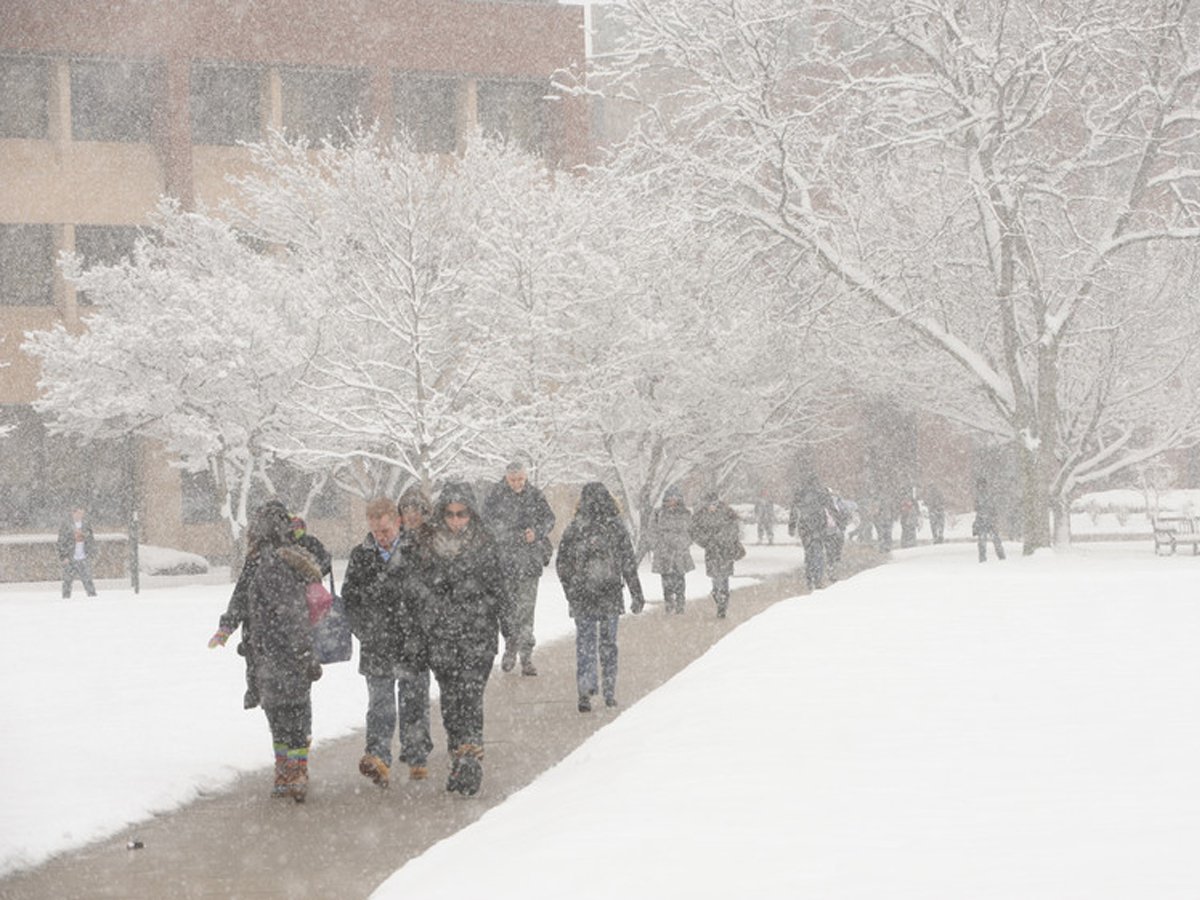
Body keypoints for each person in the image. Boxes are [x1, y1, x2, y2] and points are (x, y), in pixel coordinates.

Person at [404, 482, 511, 796]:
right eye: (450, 514)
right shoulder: (426, 544)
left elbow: (499, 587)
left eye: (462, 513)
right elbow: (414, 588)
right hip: (442, 634)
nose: (455, 520)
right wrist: (428, 614)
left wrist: (509, 627)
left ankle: (471, 755)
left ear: (471, 513)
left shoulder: (486, 543)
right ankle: (458, 756)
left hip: (478, 632)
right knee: (450, 701)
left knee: (471, 694)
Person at [343, 497, 431, 789]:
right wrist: (365, 631)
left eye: (386, 530)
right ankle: (378, 757)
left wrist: (422, 628)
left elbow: (431, 593)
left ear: (398, 522)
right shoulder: (360, 556)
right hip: (377, 644)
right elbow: (350, 600)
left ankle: (417, 755)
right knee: (380, 705)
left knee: (414, 703)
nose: (381, 537)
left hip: (412, 643)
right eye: (376, 531)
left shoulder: (417, 551)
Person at [243, 501, 325, 802]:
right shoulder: (297, 559)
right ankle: (296, 767)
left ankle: (287, 770)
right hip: (291, 650)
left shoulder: (267, 563)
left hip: (273, 652)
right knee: (297, 711)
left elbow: (282, 611)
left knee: (279, 713)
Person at [555, 482, 645, 712]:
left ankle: (585, 689)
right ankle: (609, 691)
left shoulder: (575, 527)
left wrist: (570, 591)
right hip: (609, 594)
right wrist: (636, 593)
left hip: (583, 594)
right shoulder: (616, 527)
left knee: (585, 643)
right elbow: (628, 562)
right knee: (608, 645)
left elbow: (562, 564)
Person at [483, 460, 556, 677]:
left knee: (526, 610)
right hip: (504, 563)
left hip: (528, 563)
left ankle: (526, 656)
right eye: (513, 479)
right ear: (506, 478)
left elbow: (549, 519)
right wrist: (509, 535)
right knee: (506, 611)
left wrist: (537, 532)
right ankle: (510, 646)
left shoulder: (535, 495)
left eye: (521, 479)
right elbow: (487, 523)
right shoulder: (496, 496)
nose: (517, 483)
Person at [690, 491, 743, 618]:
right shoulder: (701, 515)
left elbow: (734, 529)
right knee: (715, 580)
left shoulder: (727, 513)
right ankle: (718, 598)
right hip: (712, 552)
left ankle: (722, 606)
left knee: (723, 579)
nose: (712, 506)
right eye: (709, 504)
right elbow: (695, 532)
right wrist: (707, 541)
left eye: (714, 503)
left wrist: (723, 538)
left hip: (725, 551)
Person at [648, 485, 695, 614]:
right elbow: (651, 531)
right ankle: (668, 603)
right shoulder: (658, 513)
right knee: (666, 580)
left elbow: (692, 531)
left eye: (675, 498)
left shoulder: (685, 513)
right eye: (670, 498)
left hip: (680, 551)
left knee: (680, 578)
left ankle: (680, 603)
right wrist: (657, 545)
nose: (672, 501)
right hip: (663, 552)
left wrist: (684, 543)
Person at [789, 474, 835, 590]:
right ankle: (818, 578)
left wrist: (792, 525)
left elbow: (794, 510)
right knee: (818, 551)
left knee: (808, 552)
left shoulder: (800, 493)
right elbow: (831, 508)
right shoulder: (822, 492)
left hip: (805, 527)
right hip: (819, 525)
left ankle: (809, 577)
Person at [56, 505, 97, 598]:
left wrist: (91, 553)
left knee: (88, 580)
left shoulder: (86, 525)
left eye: (82, 513)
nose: (80, 515)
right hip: (70, 558)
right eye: (78, 513)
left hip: (83, 557)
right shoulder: (66, 525)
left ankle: (93, 597)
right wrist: (63, 556)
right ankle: (66, 598)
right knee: (67, 581)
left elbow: (91, 540)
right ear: (73, 513)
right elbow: (61, 542)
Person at [973, 477, 1006, 562]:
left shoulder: (986, 495)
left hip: (988, 521)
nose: (981, 487)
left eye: (982, 485)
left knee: (993, 540)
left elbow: (991, 508)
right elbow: (977, 508)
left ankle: (1000, 556)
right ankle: (985, 557)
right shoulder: (981, 495)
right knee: (984, 541)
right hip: (984, 521)